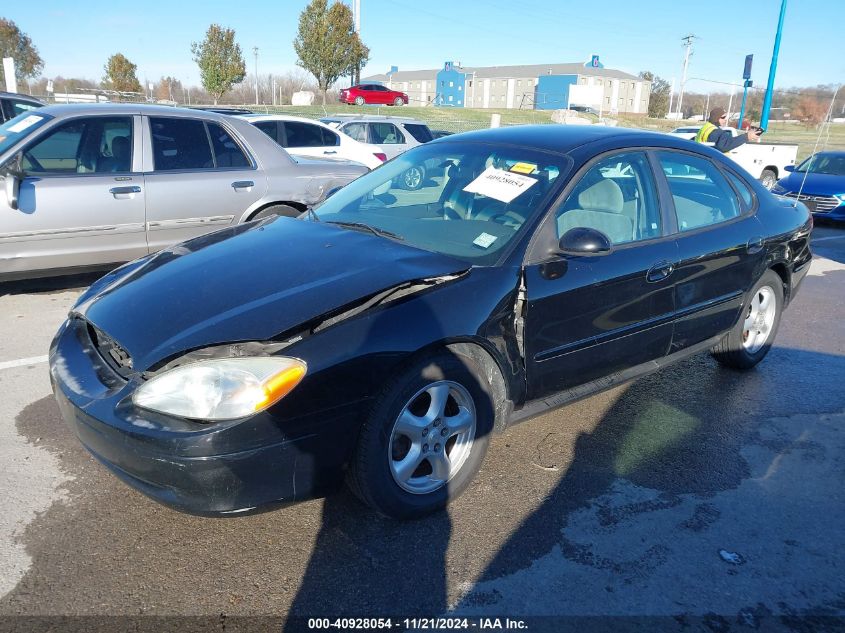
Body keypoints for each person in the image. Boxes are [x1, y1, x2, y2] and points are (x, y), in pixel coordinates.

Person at [695, 107, 761, 152]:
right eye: (723, 117)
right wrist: (747, 137)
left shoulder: (706, 127)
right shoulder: (715, 132)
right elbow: (725, 145)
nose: (725, 119)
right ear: (716, 118)